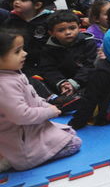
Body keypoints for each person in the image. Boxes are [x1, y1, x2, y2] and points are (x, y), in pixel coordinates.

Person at [0, 27, 82, 173]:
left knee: (70, 133)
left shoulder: (13, 73)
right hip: (22, 139)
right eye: (17, 51)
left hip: (30, 129)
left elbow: (33, 97)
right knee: (75, 143)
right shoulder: (4, 85)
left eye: (22, 49)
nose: (24, 54)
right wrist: (48, 112)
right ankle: (18, 159)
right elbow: (21, 115)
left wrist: (46, 105)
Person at [38, 10, 97, 98]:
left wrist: (75, 83)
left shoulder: (88, 43)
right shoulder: (48, 49)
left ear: (79, 27)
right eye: (61, 30)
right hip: (62, 86)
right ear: (51, 33)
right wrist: (62, 83)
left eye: (72, 28)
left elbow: (90, 65)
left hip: (85, 82)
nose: (68, 32)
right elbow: (48, 69)